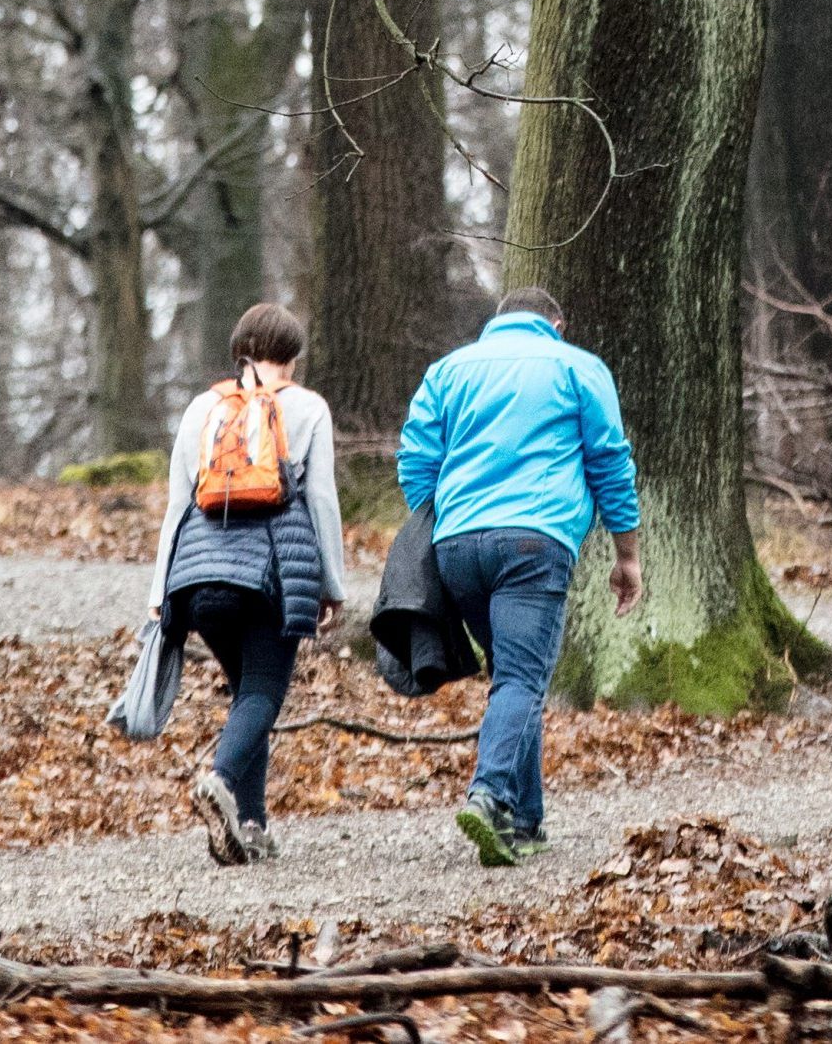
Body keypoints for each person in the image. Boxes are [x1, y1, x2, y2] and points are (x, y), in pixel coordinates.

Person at [395, 283, 643, 865]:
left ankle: (523, 823)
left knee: (512, 675)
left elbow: (415, 459)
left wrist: (436, 518)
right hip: (536, 539)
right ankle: (487, 795)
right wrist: (626, 553)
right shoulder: (578, 367)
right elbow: (609, 460)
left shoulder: (449, 370)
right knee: (523, 679)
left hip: (456, 543)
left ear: (496, 323)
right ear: (556, 325)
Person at [149, 301, 349, 865]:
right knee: (263, 693)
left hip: (197, 579)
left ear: (240, 352)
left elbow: (176, 505)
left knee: (248, 696)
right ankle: (219, 779)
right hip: (269, 573)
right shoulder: (308, 408)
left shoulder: (200, 409)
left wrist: (159, 591)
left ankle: (252, 824)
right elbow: (321, 501)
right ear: (293, 357)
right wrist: (332, 584)